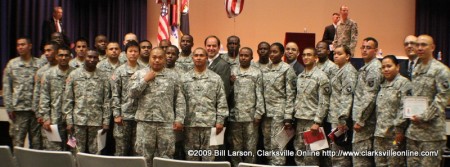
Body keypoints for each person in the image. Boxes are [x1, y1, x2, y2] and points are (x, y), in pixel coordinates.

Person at [129, 47, 185, 166]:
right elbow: (131, 94)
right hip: (145, 122)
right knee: (143, 156)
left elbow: (179, 99)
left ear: (164, 59)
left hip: (166, 122)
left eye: (160, 58)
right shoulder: (140, 74)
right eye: (154, 57)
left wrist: (179, 119)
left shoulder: (173, 76)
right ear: (149, 58)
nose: (157, 60)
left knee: (166, 157)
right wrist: (145, 80)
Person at [405, 34, 450, 166]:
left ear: (432, 47)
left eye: (423, 45)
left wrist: (423, 116)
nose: (419, 48)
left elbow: (442, 99)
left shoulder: (441, 70)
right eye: (417, 45)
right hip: (413, 133)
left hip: (432, 135)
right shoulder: (416, 68)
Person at [181, 47, 228, 161]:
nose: (198, 58)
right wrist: (180, 120)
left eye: (201, 55)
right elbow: (180, 102)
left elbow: (222, 101)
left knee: (211, 157)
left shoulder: (216, 78)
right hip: (190, 124)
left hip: (213, 125)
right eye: (196, 55)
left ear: (207, 58)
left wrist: (220, 121)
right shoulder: (184, 78)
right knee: (191, 157)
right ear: (192, 58)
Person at [64, 50, 110, 154]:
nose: (92, 59)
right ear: (84, 56)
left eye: (95, 57)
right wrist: (69, 121)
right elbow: (68, 99)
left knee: (96, 152)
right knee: (75, 150)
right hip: (77, 121)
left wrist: (106, 121)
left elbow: (107, 101)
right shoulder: (74, 74)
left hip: (97, 121)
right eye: (89, 57)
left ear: (98, 59)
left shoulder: (103, 76)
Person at [3, 37, 43, 149]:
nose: (20, 47)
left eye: (23, 44)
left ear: (30, 46)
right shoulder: (12, 64)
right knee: (17, 143)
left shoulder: (39, 64)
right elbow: (7, 88)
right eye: (18, 45)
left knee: (36, 144)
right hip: (19, 110)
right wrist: (9, 108)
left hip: (36, 111)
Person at [292, 47, 330, 166]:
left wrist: (318, 122)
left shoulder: (321, 77)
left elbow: (324, 101)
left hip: (312, 122)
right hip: (300, 120)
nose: (306, 57)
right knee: (299, 152)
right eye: (304, 55)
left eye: (309, 55)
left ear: (315, 58)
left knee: (312, 155)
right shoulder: (300, 76)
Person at [228, 47, 264, 167]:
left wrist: (259, 113)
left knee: (251, 147)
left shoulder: (256, 72)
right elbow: (227, 92)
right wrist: (231, 84)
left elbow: (260, 94)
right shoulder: (232, 70)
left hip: (251, 117)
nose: (243, 58)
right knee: (235, 147)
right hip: (235, 116)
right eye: (241, 55)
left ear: (252, 57)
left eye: (246, 55)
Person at [262, 42, 296, 165]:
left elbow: (291, 94)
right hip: (266, 113)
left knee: (278, 145)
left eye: (275, 52)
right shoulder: (265, 69)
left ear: (282, 54)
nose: (272, 54)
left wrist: (288, 116)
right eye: (270, 51)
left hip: (280, 113)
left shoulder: (287, 69)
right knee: (267, 144)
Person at [373, 55, 411, 166]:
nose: (385, 69)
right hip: (380, 135)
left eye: (389, 66)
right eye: (383, 67)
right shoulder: (382, 84)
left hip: (394, 135)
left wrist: (399, 129)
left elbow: (404, 108)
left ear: (397, 67)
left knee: (395, 164)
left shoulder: (404, 83)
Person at [111, 40, 145, 156]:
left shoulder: (144, 70)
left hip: (139, 115)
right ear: (125, 53)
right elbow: (115, 94)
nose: (133, 54)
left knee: (137, 149)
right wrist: (117, 114)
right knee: (121, 148)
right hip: (123, 115)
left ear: (139, 53)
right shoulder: (119, 71)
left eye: (135, 51)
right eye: (130, 51)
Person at [352, 37, 382, 166]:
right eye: (363, 47)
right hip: (361, 119)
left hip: (365, 123)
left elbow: (370, 96)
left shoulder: (374, 68)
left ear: (375, 51)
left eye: (368, 47)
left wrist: (361, 120)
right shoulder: (366, 67)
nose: (364, 50)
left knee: (361, 159)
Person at [39, 45, 75, 151]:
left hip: (72, 120)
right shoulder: (48, 74)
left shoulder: (76, 74)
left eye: (66, 55)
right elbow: (44, 97)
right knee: (54, 149)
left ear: (70, 57)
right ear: (56, 56)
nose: (63, 58)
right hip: (53, 120)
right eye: (61, 55)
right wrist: (46, 118)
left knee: (73, 148)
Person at [329, 45, 356, 166]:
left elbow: (347, 96)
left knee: (340, 153)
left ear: (348, 56)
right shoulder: (338, 69)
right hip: (334, 114)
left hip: (341, 118)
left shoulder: (348, 71)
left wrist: (342, 120)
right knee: (335, 152)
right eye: (334, 53)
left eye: (339, 54)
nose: (335, 56)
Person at [32, 41, 59, 147]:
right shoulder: (41, 72)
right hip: (49, 117)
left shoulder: (68, 70)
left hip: (65, 118)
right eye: (45, 51)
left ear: (56, 52)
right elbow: (37, 94)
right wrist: (39, 114)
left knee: (71, 146)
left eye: (49, 50)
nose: (46, 54)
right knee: (52, 147)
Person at [205, 35, 231, 101]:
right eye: (209, 46)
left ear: (219, 47)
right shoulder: (202, 63)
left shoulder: (224, 65)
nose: (211, 48)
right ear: (205, 47)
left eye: (214, 46)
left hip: (215, 105)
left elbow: (225, 91)